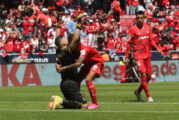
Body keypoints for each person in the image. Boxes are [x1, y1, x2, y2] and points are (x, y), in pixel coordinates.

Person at [58, 18, 104, 109]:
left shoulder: (84, 49)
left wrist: (64, 68)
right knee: (77, 81)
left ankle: (95, 103)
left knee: (88, 79)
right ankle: (76, 100)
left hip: (97, 62)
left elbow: (78, 64)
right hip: (87, 64)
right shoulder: (73, 48)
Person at [48, 12, 88, 109]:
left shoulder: (58, 50)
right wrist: (78, 25)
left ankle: (60, 101)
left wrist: (59, 22)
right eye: (65, 39)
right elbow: (75, 39)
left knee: (73, 104)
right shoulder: (68, 51)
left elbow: (57, 37)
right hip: (71, 83)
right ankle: (59, 100)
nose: (66, 38)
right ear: (64, 44)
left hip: (64, 83)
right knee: (84, 106)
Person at [125, 6, 161, 103]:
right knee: (143, 75)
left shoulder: (148, 27)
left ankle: (138, 91)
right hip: (138, 56)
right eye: (138, 18)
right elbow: (128, 44)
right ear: (136, 19)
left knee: (148, 76)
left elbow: (152, 41)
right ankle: (149, 96)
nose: (140, 20)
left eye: (142, 18)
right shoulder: (132, 29)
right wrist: (126, 57)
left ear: (143, 18)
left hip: (147, 55)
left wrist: (157, 48)